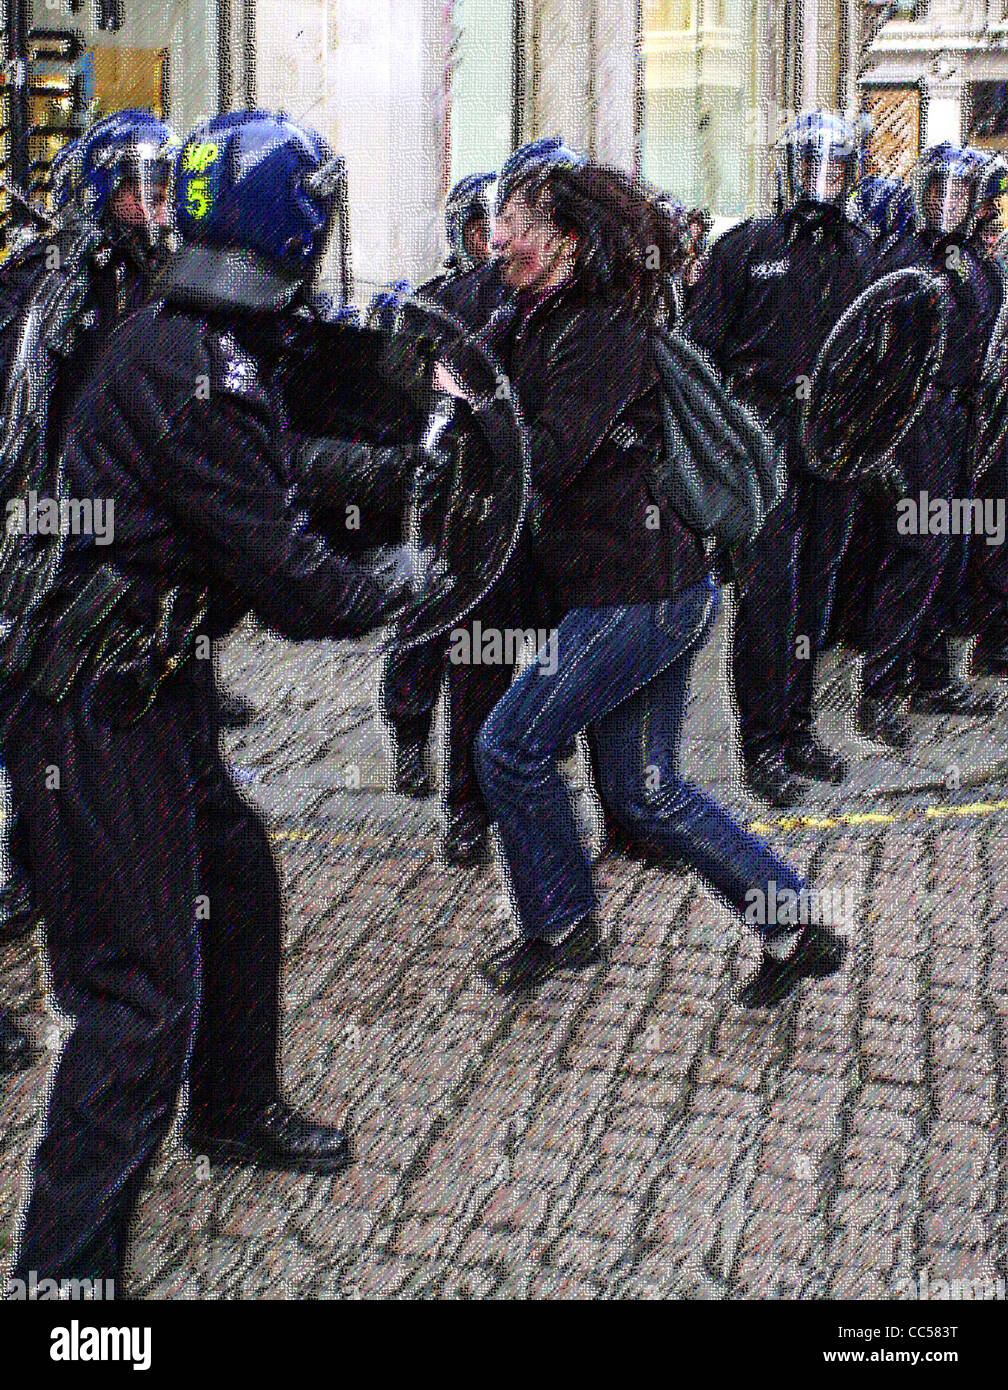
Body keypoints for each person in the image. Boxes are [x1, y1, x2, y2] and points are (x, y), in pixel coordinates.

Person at [0, 109, 409, 1290]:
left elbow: (261, 470)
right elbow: (293, 583)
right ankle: (63, 1286)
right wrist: (392, 581)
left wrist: (381, 473)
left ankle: (231, 1107)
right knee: (136, 1003)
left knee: (235, 871)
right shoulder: (198, 365)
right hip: (95, 702)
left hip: (150, 679)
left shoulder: (183, 333)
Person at [435, 158, 846, 1007]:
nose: (501, 237)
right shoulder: (536, 315)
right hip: (634, 589)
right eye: (502, 220)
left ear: (571, 244)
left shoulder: (602, 335)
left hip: (644, 596)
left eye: (520, 225)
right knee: (645, 792)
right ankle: (793, 925)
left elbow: (544, 460)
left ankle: (562, 921)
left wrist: (473, 410)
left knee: (509, 746)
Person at [0, 111, 180, 1070]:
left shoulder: (137, 287)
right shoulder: (47, 291)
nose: (153, 209)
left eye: (163, 189)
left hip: (72, 579)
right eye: (138, 189)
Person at [380, 146, 574, 865]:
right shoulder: (459, 300)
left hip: (553, 520)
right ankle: (467, 807)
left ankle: (540, 793)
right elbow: (417, 399)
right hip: (474, 515)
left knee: (554, 669)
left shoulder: (576, 302)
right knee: (474, 663)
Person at [686, 111, 874, 806]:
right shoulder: (744, 247)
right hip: (760, 431)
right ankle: (760, 743)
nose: (822, 179)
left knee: (816, 589)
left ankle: (798, 725)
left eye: (835, 166)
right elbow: (699, 350)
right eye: (811, 164)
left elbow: (883, 353)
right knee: (766, 595)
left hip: (835, 438)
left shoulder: (864, 254)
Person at [855, 144, 1002, 743]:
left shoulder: (969, 256)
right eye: (940, 192)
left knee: (951, 548)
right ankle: (882, 690)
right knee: (919, 544)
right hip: (919, 410)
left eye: (962, 195)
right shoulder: (909, 255)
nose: (950, 205)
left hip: (960, 413)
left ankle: (932, 671)